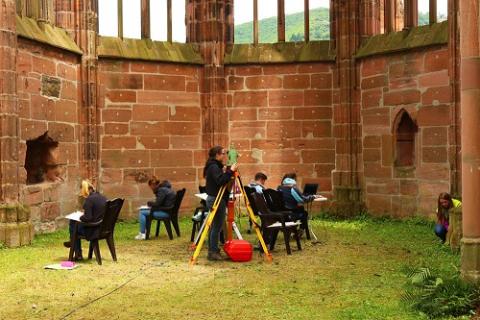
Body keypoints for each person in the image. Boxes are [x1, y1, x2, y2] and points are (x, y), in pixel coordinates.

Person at [203, 145, 238, 261]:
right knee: (217, 227)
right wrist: (231, 171)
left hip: (216, 198)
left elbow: (220, 178)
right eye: (223, 153)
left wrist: (226, 171)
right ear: (217, 155)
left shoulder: (214, 166)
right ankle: (212, 252)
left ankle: (213, 250)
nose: (225, 156)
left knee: (215, 227)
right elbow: (220, 181)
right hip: (216, 199)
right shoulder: (213, 166)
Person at [64, 180, 107, 260]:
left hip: (93, 230)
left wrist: (80, 217)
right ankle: (73, 243)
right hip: (102, 228)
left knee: (73, 223)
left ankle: (76, 250)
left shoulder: (89, 200)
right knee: (74, 225)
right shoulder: (102, 197)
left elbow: (88, 218)